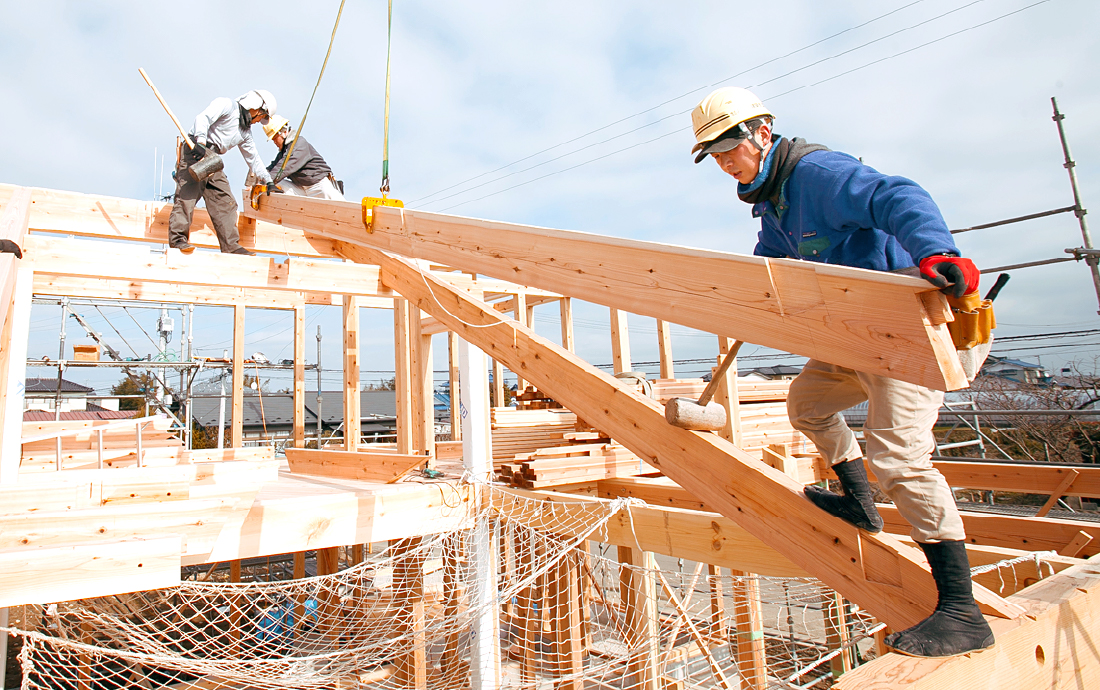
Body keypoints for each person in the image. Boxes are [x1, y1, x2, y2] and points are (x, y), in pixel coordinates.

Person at [692, 87, 989, 658]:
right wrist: (747, 301)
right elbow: (772, 260)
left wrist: (936, 251)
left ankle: (962, 609)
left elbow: (897, 195)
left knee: (899, 455)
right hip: (855, 338)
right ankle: (859, 502)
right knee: (807, 403)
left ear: (762, 132)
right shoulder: (772, 204)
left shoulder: (818, 174)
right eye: (714, 152)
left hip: (909, 331)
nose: (726, 159)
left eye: (731, 144)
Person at [168, 90, 279, 255]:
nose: (258, 121)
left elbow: (253, 159)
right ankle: (178, 241)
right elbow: (202, 118)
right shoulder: (227, 106)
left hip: (212, 160)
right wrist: (200, 141)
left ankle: (231, 247)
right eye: (261, 116)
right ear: (255, 107)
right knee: (187, 196)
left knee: (225, 201)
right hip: (195, 151)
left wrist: (268, 181)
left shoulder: (245, 133)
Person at [262, 116, 345, 200]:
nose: (274, 142)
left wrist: (264, 182)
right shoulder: (284, 152)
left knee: (339, 210)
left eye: (275, 138)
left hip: (318, 186)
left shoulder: (299, 144)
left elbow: (283, 167)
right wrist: (257, 181)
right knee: (275, 185)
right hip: (301, 189)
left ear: (284, 132)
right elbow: (271, 169)